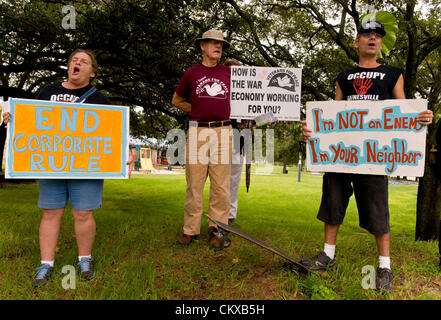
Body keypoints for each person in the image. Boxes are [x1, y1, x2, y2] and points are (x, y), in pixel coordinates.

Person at [300, 21, 433, 293]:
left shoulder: (392, 74)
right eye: (366, 35)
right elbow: (331, 115)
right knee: (333, 202)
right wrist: (313, 129)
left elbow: (403, 110)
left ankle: (384, 266)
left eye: (377, 36)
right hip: (341, 154)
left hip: (373, 155)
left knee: (377, 208)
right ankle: (327, 255)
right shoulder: (343, 77)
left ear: (381, 44)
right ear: (356, 42)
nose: (372, 38)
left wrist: (420, 117)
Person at [3, 49, 134, 286]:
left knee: (83, 213)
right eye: (74, 60)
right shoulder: (48, 92)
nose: (77, 63)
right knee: (51, 212)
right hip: (51, 166)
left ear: (92, 72)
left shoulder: (100, 100)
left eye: (83, 61)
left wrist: (127, 151)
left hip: (87, 167)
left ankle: (85, 259)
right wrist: (12, 118)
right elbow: (29, 121)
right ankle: (46, 264)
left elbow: (113, 132)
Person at [172, 29, 232, 249]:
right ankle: (190, 230)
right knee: (194, 183)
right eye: (214, 43)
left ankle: (216, 230)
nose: (218, 47)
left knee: (221, 186)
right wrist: (196, 109)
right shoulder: (192, 73)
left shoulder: (229, 73)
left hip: (224, 131)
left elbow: (247, 96)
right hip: (198, 131)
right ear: (202, 46)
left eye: (221, 44)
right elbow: (176, 100)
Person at [223, 58, 254, 225]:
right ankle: (218, 212)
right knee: (219, 180)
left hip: (240, 141)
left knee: (233, 181)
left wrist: (270, 117)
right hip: (218, 138)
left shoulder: (249, 95)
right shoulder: (220, 92)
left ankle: (230, 215)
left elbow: (255, 118)